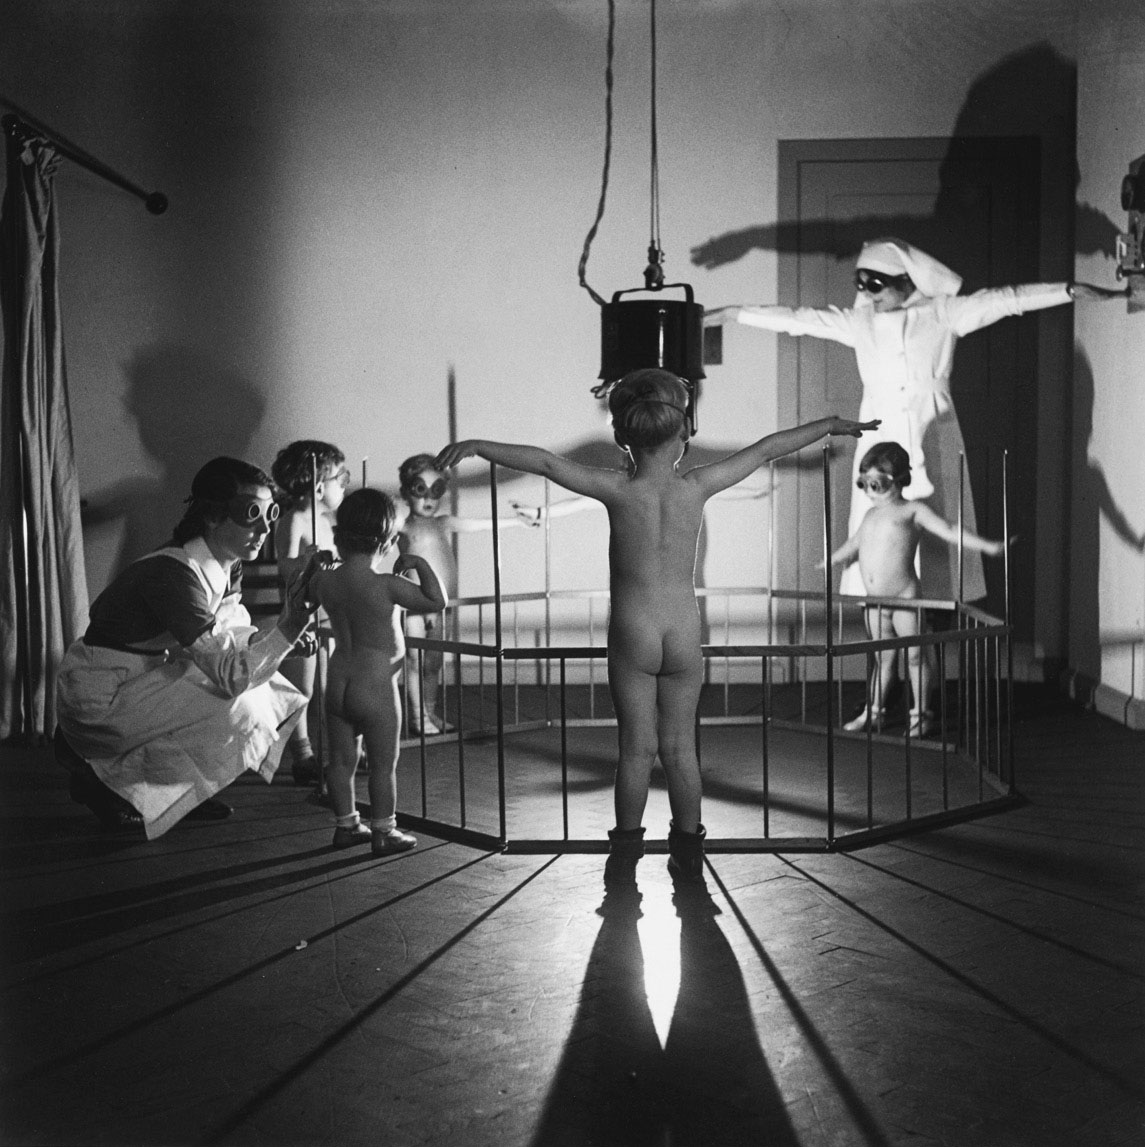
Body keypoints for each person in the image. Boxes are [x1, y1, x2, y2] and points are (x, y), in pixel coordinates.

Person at [434, 369, 877, 886]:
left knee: (636, 751)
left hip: (633, 632)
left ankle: (624, 856)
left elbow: (545, 463)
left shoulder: (616, 489)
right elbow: (766, 449)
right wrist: (829, 424)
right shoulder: (699, 486)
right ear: (684, 431)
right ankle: (688, 853)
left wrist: (478, 446)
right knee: (681, 751)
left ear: (621, 435)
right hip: (683, 632)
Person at [706, 237, 1124, 600]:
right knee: (879, 536)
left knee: (938, 540)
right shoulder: (859, 322)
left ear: (906, 280)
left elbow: (1007, 299)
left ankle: (931, 650)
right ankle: (882, 649)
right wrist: (735, 313)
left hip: (934, 430)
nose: (867, 293)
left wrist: (1068, 291)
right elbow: (798, 320)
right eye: (860, 284)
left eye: (876, 283)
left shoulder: (944, 313)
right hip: (880, 434)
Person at [55, 457, 319, 838]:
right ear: (211, 516)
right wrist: (288, 628)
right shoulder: (174, 573)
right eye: (251, 513)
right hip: (99, 698)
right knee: (237, 701)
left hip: (140, 680)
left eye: (270, 513)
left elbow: (231, 635)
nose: (265, 528)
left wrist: (281, 642)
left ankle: (178, 793)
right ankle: (103, 781)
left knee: (255, 687)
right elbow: (230, 675)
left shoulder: (225, 562)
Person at [826, 442, 1007, 737]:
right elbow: (855, 543)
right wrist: (834, 558)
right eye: (863, 483)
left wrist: (988, 546)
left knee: (915, 657)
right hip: (875, 603)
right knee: (882, 660)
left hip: (905, 600)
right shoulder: (870, 514)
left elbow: (950, 531)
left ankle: (920, 715)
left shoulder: (912, 511)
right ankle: (874, 712)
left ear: (898, 480)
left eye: (876, 484)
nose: (869, 491)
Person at [310, 488, 446, 855]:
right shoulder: (386, 585)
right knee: (383, 766)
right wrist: (419, 563)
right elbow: (437, 601)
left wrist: (314, 565)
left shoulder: (325, 582)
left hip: (337, 683)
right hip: (376, 687)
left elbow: (302, 592)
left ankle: (346, 826)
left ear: (338, 536)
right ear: (387, 542)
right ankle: (384, 831)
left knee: (340, 762)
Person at [396, 453, 542, 736]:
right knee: (414, 660)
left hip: (442, 605)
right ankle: (417, 717)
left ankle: (429, 712)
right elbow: (374, 525)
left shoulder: (443, 522)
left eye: (436, 490)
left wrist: (516, 521)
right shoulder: (403, 526)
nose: (428, 499)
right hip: (414, 605)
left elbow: (481, 524)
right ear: (406, 492)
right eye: (419, 489)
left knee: (433, 663)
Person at [271, 440, 350, 785]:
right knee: (302, 688)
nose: (344, 486)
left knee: (331, 686)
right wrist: (307, 561)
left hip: (329, 615)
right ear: (318, 485)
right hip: (303, 616)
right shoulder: (295, 520)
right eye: (340, 479)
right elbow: (284, 567)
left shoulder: (327, 521)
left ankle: (342, 750)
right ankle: (302, 752)